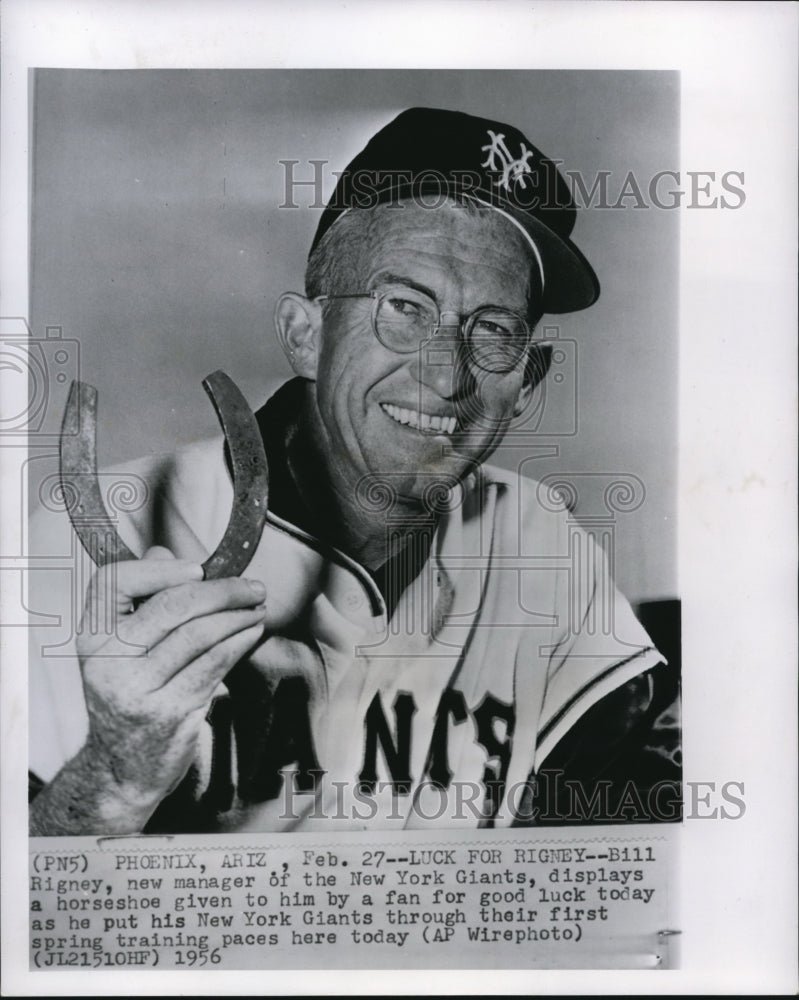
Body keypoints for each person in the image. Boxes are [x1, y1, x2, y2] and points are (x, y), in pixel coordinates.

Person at [28, 107, 680, 834]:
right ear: (305, 335)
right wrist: (114, 776)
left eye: (492, 330)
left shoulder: (538, 543)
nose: (445, 376)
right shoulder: (89, 543)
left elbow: (633, 832)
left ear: (527, 382)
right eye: (404, 307)